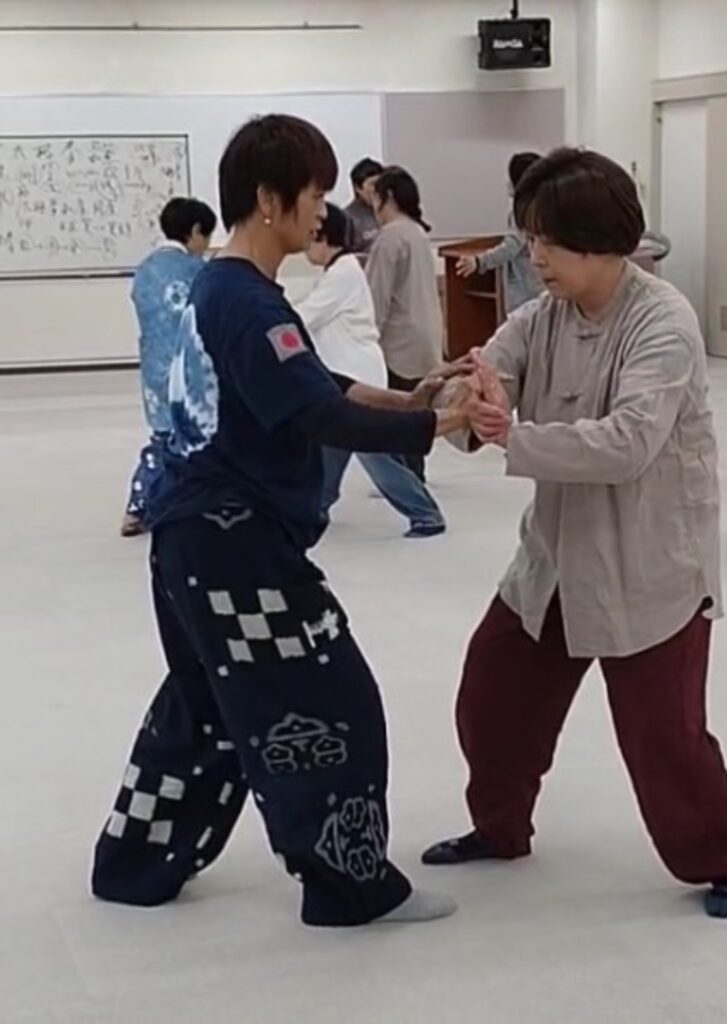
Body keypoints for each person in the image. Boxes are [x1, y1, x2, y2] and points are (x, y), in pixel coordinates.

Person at [91, 114, 476, 928]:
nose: (323, 210)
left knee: (204, 708)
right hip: (236, 549)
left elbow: (313, 381)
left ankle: (134, 863)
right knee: (330, 704)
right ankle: (348, 886)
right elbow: (316, 416)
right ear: (269, 199)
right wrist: (436, 425)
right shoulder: (243, 297)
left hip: (193, 540)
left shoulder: (225, 288)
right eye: (314, 193)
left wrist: (405, 397)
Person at [421, 147, 727, 921]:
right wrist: (473, 394)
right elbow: (492, 367)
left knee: (665, 740)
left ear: (602, 241)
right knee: (492, 697)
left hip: (648, 563)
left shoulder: (662, 322)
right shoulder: (543, 314)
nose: (535, 257)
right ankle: (500, 828)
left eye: (549, 241)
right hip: (551, 556)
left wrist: (512, 435)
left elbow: (627, 443)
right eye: (530, 238)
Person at [299, 202, 446, 538]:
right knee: (330, 447)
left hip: (357, 379)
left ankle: (426, 515)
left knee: (375, 454)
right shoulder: (338, 272)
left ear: (325, 238)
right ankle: (315, 508)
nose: (306, 248)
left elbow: (305, 317)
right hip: (344, 380)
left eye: (311, 238)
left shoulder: (343, 274)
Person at [121, 197, 217, 537]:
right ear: (195, 231)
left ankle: (139, 505)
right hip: (189, 368)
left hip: (154, 367)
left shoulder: (145, 269)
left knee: (163, 437)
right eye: (206, 237)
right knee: (197, 437)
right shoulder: (197, 271)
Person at [367, 166, 444, 483]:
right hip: (426, 336)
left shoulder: (390, 237)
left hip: (399, 341)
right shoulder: (417, 232)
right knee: (417, 409)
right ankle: (414, 473)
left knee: (397, 412)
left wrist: (367, 339)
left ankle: (405, 479)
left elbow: (376, 297)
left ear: (386, 197)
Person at [455, 152, 544, 314]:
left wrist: (480, 261)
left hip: (525, 293)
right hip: (535, 288)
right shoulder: (542, 207)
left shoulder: (522, 211)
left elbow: (511, 247)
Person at [344, 157, 383, 253]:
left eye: (381, 183)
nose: (377, 189)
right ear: (358, 188)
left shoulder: (389, 211)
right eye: (372, 184)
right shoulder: (347, 218)